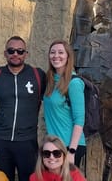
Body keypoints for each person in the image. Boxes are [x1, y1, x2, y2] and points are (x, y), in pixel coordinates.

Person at [0, 36, 46, 181]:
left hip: (28, 142)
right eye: (11, 50)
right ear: (5, 53)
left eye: (20, 51)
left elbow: (53, 101)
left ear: (26, 54)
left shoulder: (38, 75)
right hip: (1, 141)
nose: (15, 54)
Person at [42, 40, 86, 168]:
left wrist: (72, 151)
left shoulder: (74, 83)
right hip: (53, 145)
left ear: (68, 57)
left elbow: (79, 119)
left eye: (61, 52)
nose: (56, 56)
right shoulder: (50, 80)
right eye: (52, 52)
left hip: (69, 145)